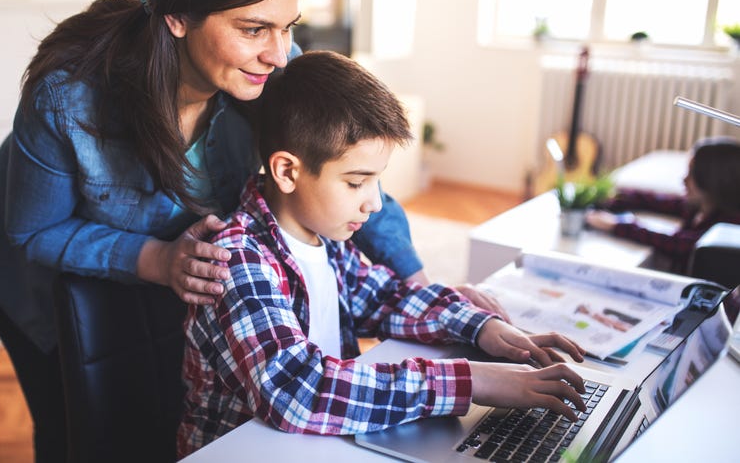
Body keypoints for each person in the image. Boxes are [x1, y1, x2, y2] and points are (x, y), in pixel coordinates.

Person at [0, 0, 451, 460]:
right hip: (37, 278)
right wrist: (156, 258)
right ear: (178, 17)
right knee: (73, 429)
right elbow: (34, 229)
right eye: (253, 29)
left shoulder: (274, 62)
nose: (280, 54)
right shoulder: (69, 97)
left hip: (179, 267)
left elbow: (348, 168)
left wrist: (417, 284)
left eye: (289, 27)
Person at [178, 51, 588, 457]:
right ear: (287, 172)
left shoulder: (326, 239)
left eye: (378, 181)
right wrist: (473, 381)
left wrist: (485, 329)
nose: (374, 203)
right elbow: (300, 392)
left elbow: (386, 297)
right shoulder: (236, 258)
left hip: (321, 440)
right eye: (357, 182)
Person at [585, 137, 740, 275]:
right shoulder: (701, 206)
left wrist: (617, 225)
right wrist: (611, 198)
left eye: (692, 173)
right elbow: (655, 201)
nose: (684, 179)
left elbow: (681, 245)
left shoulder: (729, 225)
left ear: (712, 180)